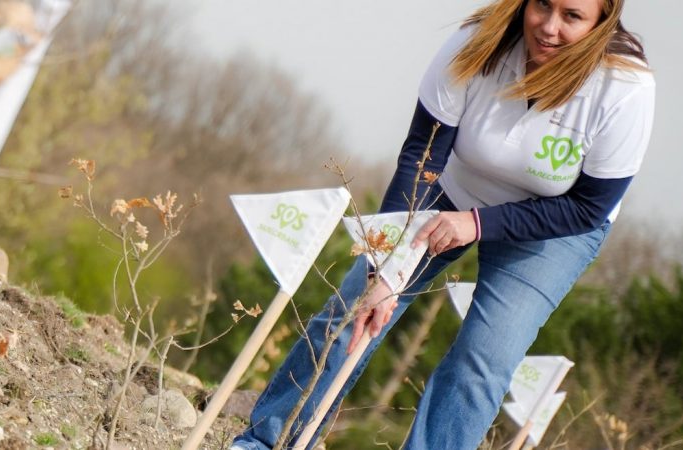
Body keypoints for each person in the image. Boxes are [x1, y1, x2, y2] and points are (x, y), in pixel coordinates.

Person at [232, 0, 654, 448]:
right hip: (452, 188)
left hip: (554, 223)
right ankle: (267, 440)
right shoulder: (478, 40)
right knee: (357, 306)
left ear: (602, 21)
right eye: (543, 6)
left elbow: (587, 208)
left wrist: (475, 224)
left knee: (483, 357)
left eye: (572, 16)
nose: (549, 27)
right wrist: (386, 268)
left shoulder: (625, 87)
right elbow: (422, 153)